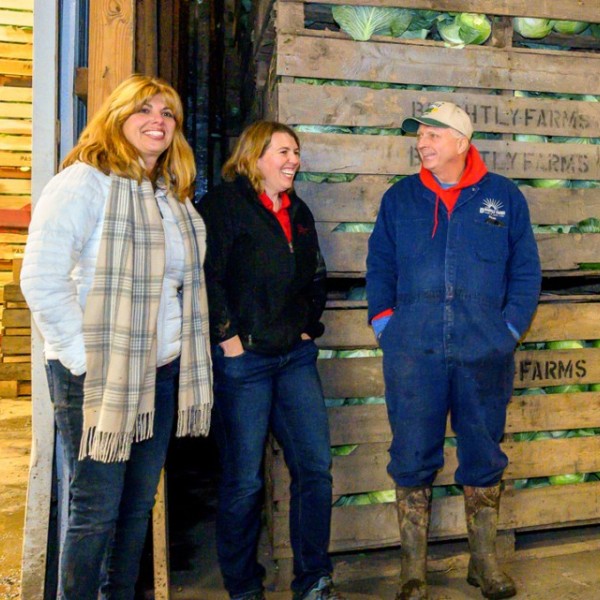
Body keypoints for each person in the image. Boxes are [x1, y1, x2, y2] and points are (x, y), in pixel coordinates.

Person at [20, 74, 213, 599]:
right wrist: (86, 362)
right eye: (144, 110)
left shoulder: (167, 195)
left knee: (135, 507)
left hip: (161, 370)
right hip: (98, 375)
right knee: (95, 509)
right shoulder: (84, 183)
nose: (158, 121)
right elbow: (40, 279)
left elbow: (176, 286)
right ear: (116, 117)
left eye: (168, 113)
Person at [366, 102, 541, 600]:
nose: (422, 143)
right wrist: (385, 323)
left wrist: (507, 330)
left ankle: (483, 562)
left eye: (432, 135)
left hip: (483, 350)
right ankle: (413, 570)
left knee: (484, 453)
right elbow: (378, 265)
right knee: (411, 454)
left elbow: (525, 271)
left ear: (462, 141)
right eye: (418, 136)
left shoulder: (503, 198)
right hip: (412, 351)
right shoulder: (399, 199)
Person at [197, 121, 344, 600]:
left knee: (315, 468)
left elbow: (316, 274)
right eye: (284, 151)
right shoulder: (224, 206)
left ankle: (313, 579)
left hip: (294, 356)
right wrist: (229, 339)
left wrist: (308, 325)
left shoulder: (298, 212)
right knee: (243, 480)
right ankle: (243, 587)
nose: (293, 160)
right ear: (255, 155)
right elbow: (206, 277)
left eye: (296, 152)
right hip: (246, 363)